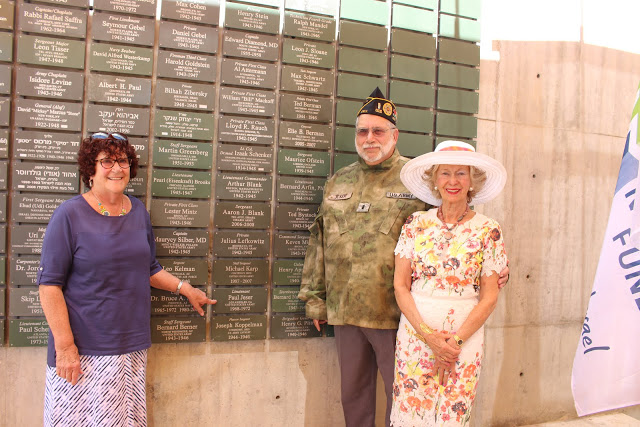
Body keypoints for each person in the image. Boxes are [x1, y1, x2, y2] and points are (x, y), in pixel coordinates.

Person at [298, 89, 509, 427]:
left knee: (403, 398)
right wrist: (314, 298)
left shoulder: (416, 182)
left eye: (378, 131)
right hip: (345, 309)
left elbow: (450, 234)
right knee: (353, 396)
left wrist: (494, 272)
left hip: (396, 315)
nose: (369, 138)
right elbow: (319, 238)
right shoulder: (338, 181)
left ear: (394, 135)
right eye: (363, 131)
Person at [38, 132, 216, 426]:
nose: (117, 168)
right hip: (85, 350)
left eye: (122, 161)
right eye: (107, 161)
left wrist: (185, 289)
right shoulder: (68, 215)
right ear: (90, 169)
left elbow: (150, 268)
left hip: (131, 345)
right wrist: (65, 347)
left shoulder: (138, 212)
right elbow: (49, 286)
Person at [390, 140, 508, 426]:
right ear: (435, 179)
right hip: (415, 338)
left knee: (452, 415)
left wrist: (454, 344)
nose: (452, 181)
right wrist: (430, 337)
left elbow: (489, 297)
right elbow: (400, 286)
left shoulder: (488, 229)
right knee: (411, 414)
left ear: (472, 181)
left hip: (463, 343)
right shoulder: (415, 223)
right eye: (445, 173)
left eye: (461, 173)